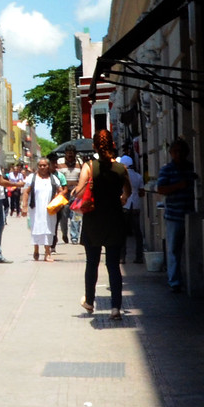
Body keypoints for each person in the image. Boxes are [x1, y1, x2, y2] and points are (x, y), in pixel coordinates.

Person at [80, 135, 133, 318]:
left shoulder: (89, 166)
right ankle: (115, 307)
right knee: (113, 265)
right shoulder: (121, 168)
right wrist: (121, 198)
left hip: (93, 220)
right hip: (114, 220)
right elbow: (128, 192)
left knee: (92, 263)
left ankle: (89, 301)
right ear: (113, 145)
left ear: (94, 146)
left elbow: (80, 190)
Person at [155, 138, 195, 291]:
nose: (178, 154)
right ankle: (174, 281)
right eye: (175, 151)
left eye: (181, 151)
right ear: (171, 153)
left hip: (190, 214)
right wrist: (179, 185)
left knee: (189, 249)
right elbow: (161, 189)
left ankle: (190, 278)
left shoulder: (191, 168)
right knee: (173, 250)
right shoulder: (166, 170)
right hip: (173, 216)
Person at [24, 158, 62, 261]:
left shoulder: (53, 179)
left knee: (48, 229)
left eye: (44, 165)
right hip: (35, 209)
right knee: (36, 228)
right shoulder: (32, 178)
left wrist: (57, 202)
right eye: (40, 165)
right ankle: (36, 250)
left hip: (49, 209)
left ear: (48, 166)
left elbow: (61, 191)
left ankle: (47, 252)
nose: (42, 167)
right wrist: (24, 206)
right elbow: (26, 192)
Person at [119, 151, 146, 271]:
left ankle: (122, 257)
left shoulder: (121, 176)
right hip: (135, 205)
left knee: (122, 232)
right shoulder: (138, 176)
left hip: (124, 205)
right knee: (137, 232)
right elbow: (142, 192)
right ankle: (139, 256)